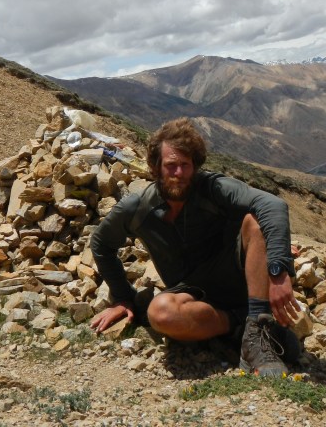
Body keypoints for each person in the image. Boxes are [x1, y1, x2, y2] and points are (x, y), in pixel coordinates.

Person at [89, 117, 301, 377]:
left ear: (196, 166)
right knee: (160, 313)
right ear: (156, 167)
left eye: (185, 166)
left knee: (255, 222)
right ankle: (244, 326)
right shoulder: (137, 208)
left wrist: (278, 270)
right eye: (171, 166)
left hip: (240, 279)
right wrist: (122, 297)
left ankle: (257, 332)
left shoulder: (214, 188)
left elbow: (273, 205)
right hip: (193, 294)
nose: (179, 174)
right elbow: (101, 243)